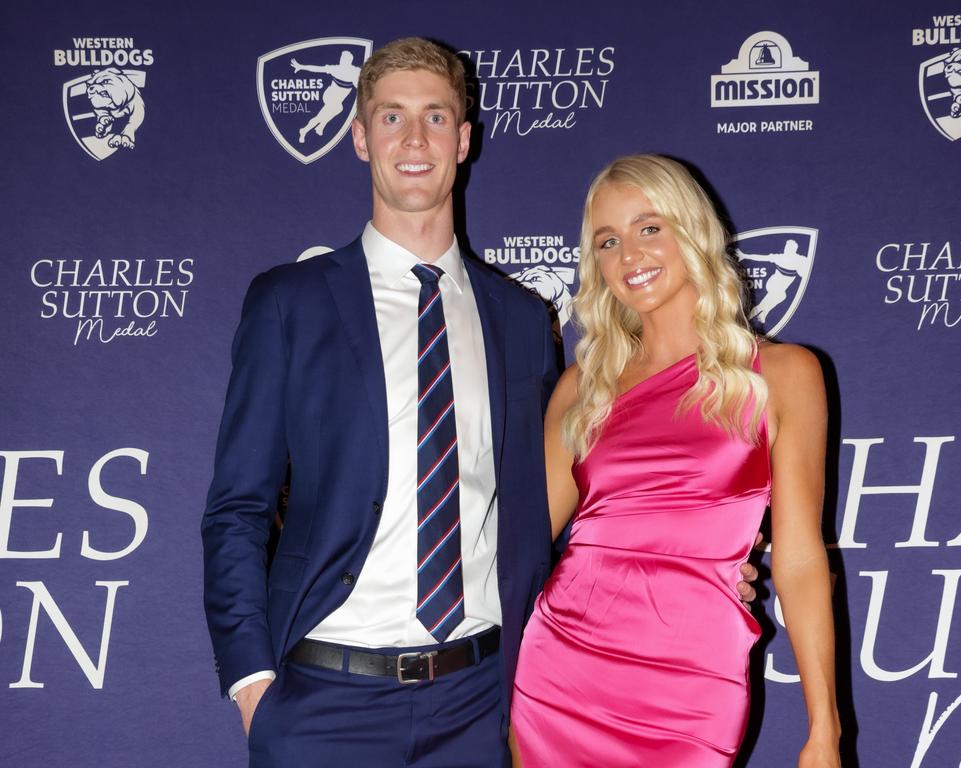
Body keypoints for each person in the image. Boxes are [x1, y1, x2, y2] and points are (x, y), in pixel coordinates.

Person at [203, 40, 757, 767]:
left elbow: (552, 511)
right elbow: (236, 509)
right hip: (323, 701)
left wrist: (688, 557)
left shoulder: (524, 322)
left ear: (463, 141)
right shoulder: (290, 303)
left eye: (435, 117)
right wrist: (253, 685)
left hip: (479, 705)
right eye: (391, 116)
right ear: (360, 136)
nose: (413, 139)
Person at [511, 155, 840, 767]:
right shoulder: (583, 387)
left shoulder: (784, 374)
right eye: (608, 241)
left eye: (649, 227)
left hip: (696, 680)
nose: (630, 255)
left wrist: (825, 730)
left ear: (693, 230)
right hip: (561, 671)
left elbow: (798, 557)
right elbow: (518, 545)